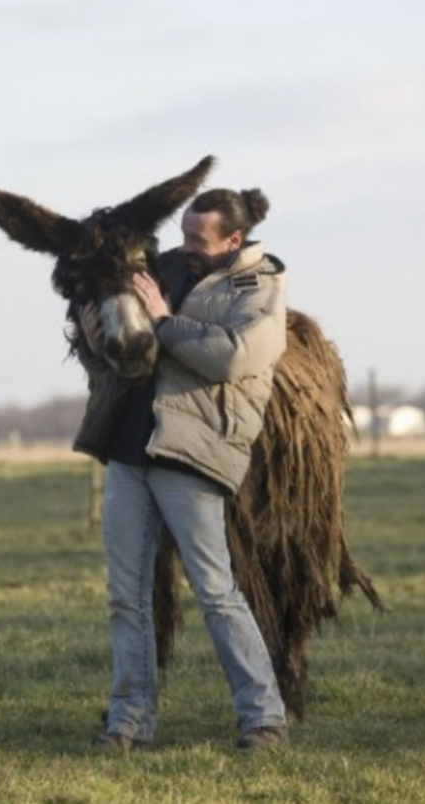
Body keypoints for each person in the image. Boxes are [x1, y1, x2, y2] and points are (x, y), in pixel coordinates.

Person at [77, 186, 288, 752]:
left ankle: (264, 719)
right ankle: (128, 724)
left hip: (189, 454)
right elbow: (121, 325)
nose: (186, 245)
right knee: (126, 596)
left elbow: (233, 356)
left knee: (215, 591)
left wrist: (166, 321)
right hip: (129, 447)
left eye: (199, 238)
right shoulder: (164, 266)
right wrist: (97, 334)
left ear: (233, 239)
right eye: (185, 233)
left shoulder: (260, 285)